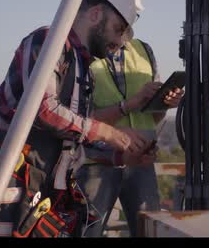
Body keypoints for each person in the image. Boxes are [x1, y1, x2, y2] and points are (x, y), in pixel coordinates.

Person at [0, 0, 154, 238]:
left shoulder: (83, 69)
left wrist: (121, 155)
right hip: (14, 186)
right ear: (95, 15)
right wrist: (108, 132)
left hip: (45, 195)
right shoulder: (47, 42)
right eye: (118, 30)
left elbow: (74, 139)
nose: (119, 43)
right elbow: (42, 110)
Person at [75, 26, 185, 237]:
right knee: (87, 232)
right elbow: (77, 119)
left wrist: (163, 103)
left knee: (150, 233)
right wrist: (129, 105)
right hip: (96, 164)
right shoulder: (85, 52)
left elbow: (153, 118)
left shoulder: (144, 50)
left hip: (141, 163)